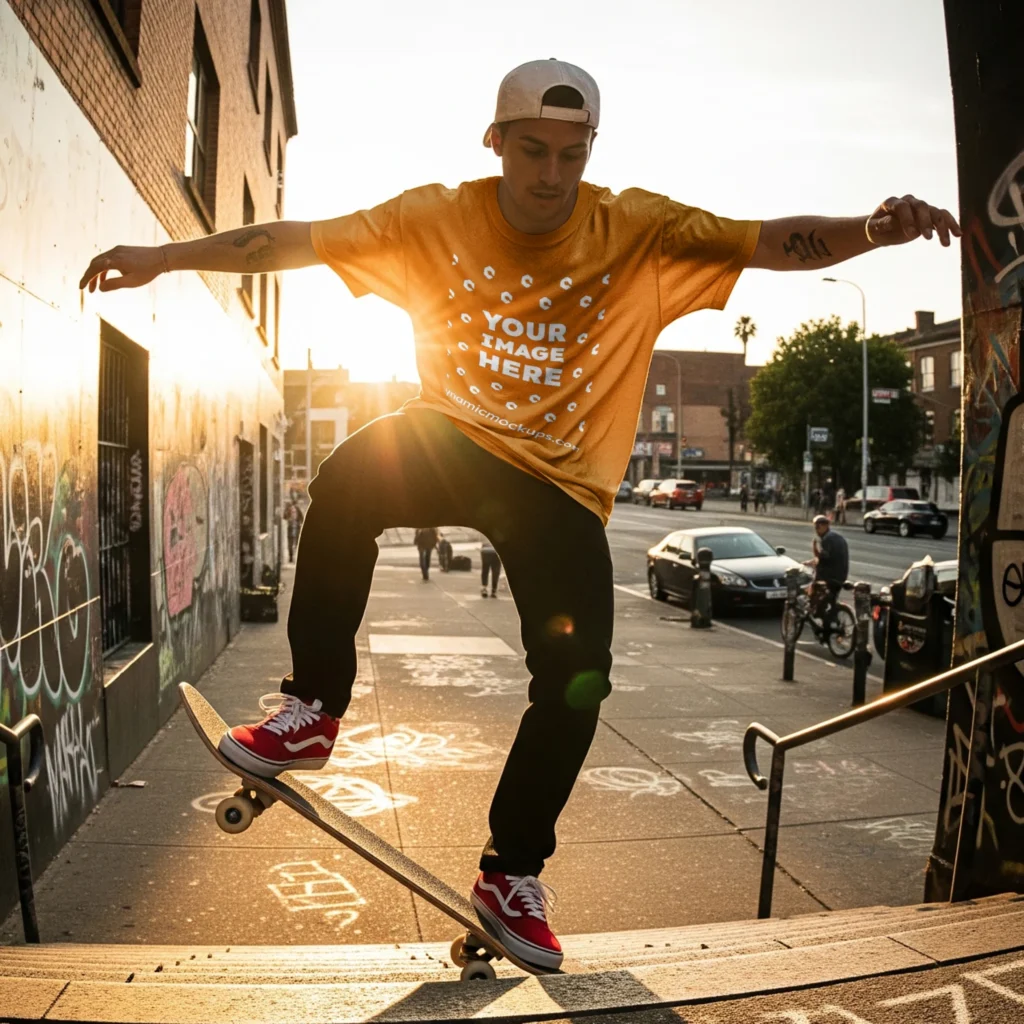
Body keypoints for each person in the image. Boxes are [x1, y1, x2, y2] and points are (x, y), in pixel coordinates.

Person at [79, 56, 959, 970]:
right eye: (532, 151)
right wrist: (167, 257)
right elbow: (291, 242)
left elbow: (770, 242)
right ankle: (312, 710)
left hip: (563, 484)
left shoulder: (641, 228)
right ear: (495, 143)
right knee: (347, 480)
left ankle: (511, 873)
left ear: (590, 152)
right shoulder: (433, 217)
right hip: (454, 436)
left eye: (571, 156)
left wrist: (869, 230)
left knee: (580, 676)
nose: (550, 176)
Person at [808, 513, 850, 630]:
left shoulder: (827, 539)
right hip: (841, 575)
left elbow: (824, 557)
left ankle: (821, 621)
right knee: (830, 600)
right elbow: (831, 558)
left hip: (830, 577)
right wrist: (813, 561)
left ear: (825, 526)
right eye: (815, 527)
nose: (816, 530)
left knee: (816, 590)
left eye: (818, 527)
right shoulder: (837, 537)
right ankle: (831, 618)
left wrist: (815, 549)